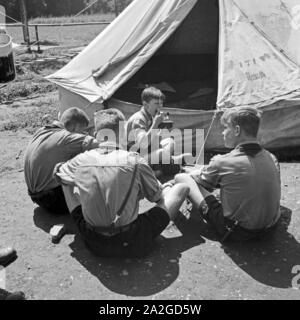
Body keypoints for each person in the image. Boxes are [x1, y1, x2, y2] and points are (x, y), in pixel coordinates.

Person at [54, 108, 189, 258]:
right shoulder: (134, 159)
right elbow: (157, 197)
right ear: (122, 132)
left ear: (95, 133)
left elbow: (58, 173)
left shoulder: (80, 160)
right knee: (181, 188)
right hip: (130, 242)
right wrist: (164, 187)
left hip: (92, 241)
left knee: (64, 179)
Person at [175, 106, 281, 242]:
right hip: (270, 228)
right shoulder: (271, 157)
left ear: (237, 130)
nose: (223, 133)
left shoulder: (222, 161)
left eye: (226, 128)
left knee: (182, 178)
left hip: (237, 232)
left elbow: (201, 181)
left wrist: (192, 172)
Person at [24, 108, 99, 215]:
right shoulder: (67, 138)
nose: (83, 134)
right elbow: (102, 145)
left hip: (35, 196)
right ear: (75, 127)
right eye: (82, 131)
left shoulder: (42, 131)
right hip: (53, 201)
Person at [126, 87, 190, 175]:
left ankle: (166, 163)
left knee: (170, 142)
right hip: (134, 157)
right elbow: (143, 143)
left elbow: (154, 142)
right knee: (162, 153)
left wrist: (161, 127)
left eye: (161, 103)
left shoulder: (151, 115)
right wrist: (155, 124)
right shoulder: (139, 119)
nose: (160, 106)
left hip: (146, 152)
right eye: (156, 103)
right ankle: (167, 166)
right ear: (145, 104)